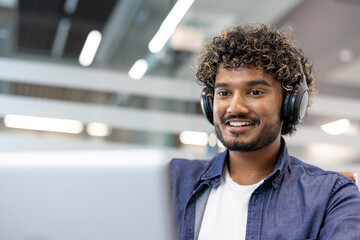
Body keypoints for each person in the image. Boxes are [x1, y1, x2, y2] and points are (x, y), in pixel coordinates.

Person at [169, 24, 360, 240]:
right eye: (223, 92)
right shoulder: (171, 180)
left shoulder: (332, 196)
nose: (235, 107)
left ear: (291, 103)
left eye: (255, 92)